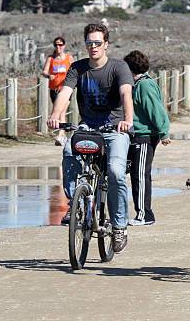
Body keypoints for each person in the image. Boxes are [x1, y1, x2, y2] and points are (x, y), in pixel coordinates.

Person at [47, 23, 134, 253]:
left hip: (116, 129)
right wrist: (56, 115)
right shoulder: (77, 68)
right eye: (89, 43)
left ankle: (119, 226)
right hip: (88, 127)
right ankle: (75, 204)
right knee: (68, 150)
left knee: (115, 172)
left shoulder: (119, 67)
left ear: (106, 44)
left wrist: (128, 119)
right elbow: (65, 93)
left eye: (97, 43)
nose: (93, 47)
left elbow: (126, 93)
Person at [123, 50, 171, 226]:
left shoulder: (144, 85)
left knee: (140, 175)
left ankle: (145, 215)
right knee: (132, 173)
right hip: (134, 136)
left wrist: (163, 132)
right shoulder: (137, 84)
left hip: (144, 136)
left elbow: (155, 110)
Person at [41, 37, 74, 146]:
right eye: (56, 45)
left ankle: (60, 135)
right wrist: (49, 75)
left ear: (64, 46)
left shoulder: (69, 58)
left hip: (66, 90)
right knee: (59, 112)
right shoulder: (51, 58)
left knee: (62, 112)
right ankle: (62, 135)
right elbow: (44, 71)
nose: (58, 47)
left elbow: (74, 72)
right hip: (54, 89)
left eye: (60, 45)